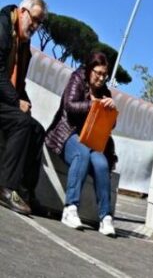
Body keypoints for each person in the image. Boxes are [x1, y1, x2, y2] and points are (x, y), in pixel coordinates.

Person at [46, 52, 118, 235]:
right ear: (89, 70)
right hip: (67, 132)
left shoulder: (105, 92)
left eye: (105, 75)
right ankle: (70, 208)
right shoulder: (77, 79)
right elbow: (69, 105)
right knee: (82, 154)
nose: (101, 78)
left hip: (91, 139)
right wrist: (92, 103)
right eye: (98, 73)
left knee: (102, 164)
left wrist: (111, 109)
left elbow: (111, 124)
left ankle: (105, 217)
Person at [0, 0, 49, 214]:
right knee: (21, 122)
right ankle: (6, 188)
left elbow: (19, 83)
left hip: (4, 98)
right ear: (22, 12)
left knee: (37, 129)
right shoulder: (2, 26)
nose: (36, 26)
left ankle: (26, 192)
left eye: (40, 22)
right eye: (34, 19)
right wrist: (15, 100)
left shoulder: (24, 44)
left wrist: (24, 100)